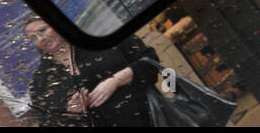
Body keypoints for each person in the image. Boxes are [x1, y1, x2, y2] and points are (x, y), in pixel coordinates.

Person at [25, 18, 161, 127]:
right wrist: (70, 113)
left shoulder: (101, 39)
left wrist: (116, 80)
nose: (40, 39)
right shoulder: (41, 81)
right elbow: (46, 121)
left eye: (43, 30)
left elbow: (150, 61)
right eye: (33, 38)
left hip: (151, 119)